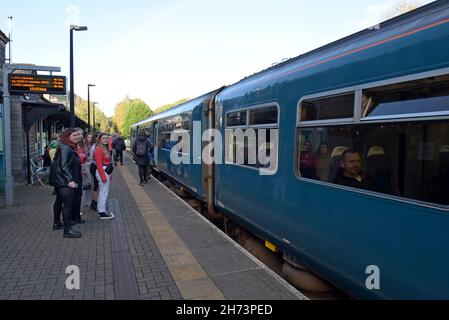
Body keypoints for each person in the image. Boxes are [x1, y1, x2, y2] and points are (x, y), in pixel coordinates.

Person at [49, 128, 83, 239]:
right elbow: (64, 166)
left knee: (59, 201)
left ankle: (57, 223)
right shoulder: (66, 148)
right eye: (74, 135)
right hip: (64, 182)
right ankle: (67, 230)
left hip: (59, 180)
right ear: (67, 137)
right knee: (67, 205)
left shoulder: (64, 147)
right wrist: (70, 180)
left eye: (78, 135)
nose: (77, 137)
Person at [94, 133, 115, 219]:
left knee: (103, 192)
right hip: (102, 171)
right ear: (99, 139)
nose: (105, 140)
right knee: (104, 192)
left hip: (105, 171)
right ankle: (102, 213)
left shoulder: (104, 148)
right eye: (103, 138)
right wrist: (103, 176)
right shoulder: (99, 149)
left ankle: (101, 209)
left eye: (106, 138)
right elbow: (98, 164)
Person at [89, 132, 100, 211]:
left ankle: (96, 201)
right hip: (95, 167)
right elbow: (92, 158)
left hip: (98, 167)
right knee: (96, 185)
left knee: (98, 185)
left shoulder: (101, 146)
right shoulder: (94, 147)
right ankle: (94, 202)